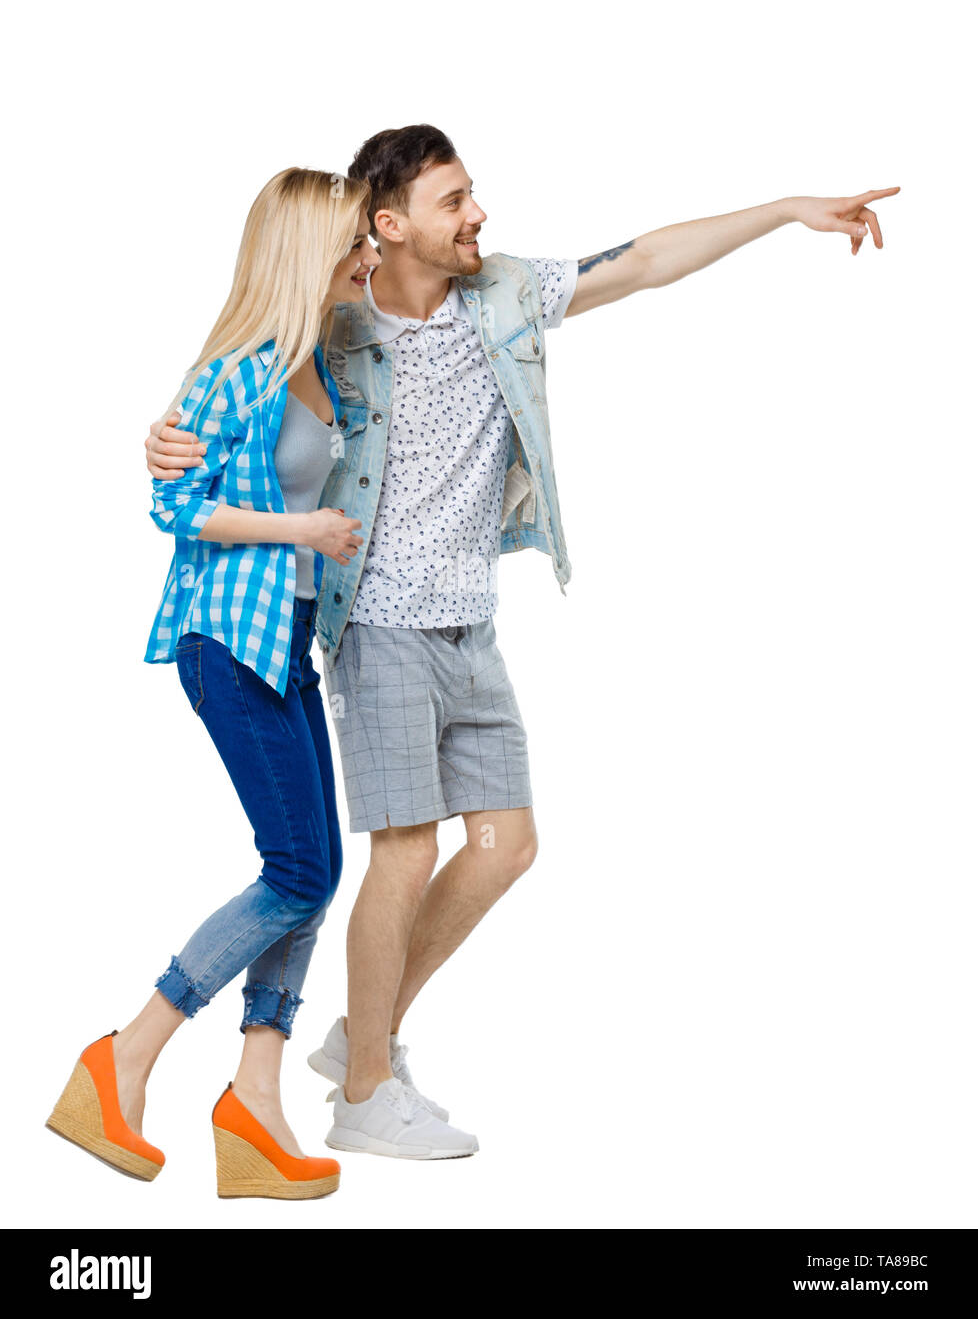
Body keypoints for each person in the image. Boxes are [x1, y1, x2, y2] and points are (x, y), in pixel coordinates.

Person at [145, 125, 900, 1161]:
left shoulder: (504, 294)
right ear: (388, 222)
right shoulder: (339, 318)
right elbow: (251, 351)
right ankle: (367, 1091)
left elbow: (638, 262)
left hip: (473, 621)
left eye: (474, 195)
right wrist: (167, 434)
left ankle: (354, 1038)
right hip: (375, 621)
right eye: (454, 200)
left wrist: (782, 212)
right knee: (402, 853)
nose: (479, 215)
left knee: (507, 845)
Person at [48, 166, 375, 1199]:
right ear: (307, 252)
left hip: (290, 642)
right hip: (226, 643)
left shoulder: (331, 358)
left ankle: (256, 1097)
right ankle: (128, 1053)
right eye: (354, 244)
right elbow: (175, 508)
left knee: (315, 867)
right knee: (298, 870)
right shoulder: (236, 371)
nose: (368, 257)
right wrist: (300, 528)